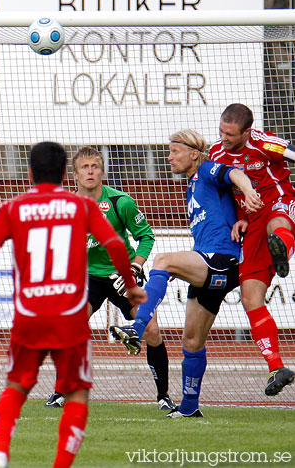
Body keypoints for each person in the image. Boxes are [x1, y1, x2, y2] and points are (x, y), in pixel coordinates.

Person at [0, 141, 146, 468]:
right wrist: (130, 284)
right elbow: (114, 243)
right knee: (77, 394)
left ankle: (0, 451)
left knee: (15, 386)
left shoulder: (12, 208)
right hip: (70, 315)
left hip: (29, 315)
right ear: (63, 173)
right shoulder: (80, 207)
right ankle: (61, 464)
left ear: (30, 173)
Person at [110, 130, 262, 417]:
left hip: (220, 259)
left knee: (163, 260)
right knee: (191, 342)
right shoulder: (190, 186)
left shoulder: (206, 170)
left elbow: (234, 174)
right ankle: (190, 407)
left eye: (174, 152)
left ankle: (137, 327)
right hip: (208, 265)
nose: (169, 158)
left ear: (193, 153)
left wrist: (249, 190)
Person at [45, 147, 173, 411]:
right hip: (89, 277)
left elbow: (146, 236)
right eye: (84, 167)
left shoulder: (120, 202)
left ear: (102, 171)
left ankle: (163, 397)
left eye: (94, 166)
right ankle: (61, 390)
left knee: (151, 330)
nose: (90, 171)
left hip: (123, 275)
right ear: (75, 174)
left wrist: (136, 267)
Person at [209, 103, 295, 396]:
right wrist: (241, 218)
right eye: (221, 131)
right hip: (252, 220)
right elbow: (226, 195)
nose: (224, 138)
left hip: (278, 200)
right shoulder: (217, 154)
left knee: (278, 224)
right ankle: (276, 367)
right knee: (250, 298)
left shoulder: (264, 143)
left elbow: (292, 153)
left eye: (230, 134)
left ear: (247, 131)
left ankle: (281, 248)